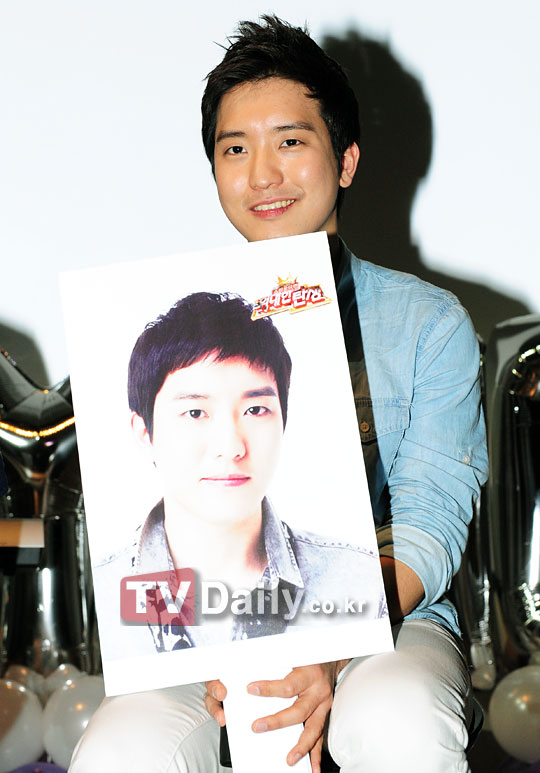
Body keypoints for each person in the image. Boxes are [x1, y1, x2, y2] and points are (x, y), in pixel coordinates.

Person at [70, 15, 488, 773]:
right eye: (235, 149)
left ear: (346, 160)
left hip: (385, 622)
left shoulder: (426, 323)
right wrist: (200, 648)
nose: (262, 174)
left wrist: (329, 642)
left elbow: (432, 516)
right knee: (118, 751)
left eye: (290, 141)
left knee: (400, 719)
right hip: (193, 629)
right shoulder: (155, 319)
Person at [93, 291, 385, 657]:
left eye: (256, 410)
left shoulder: (357, 581)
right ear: (144, 433)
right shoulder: (101, 598)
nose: (231, 446)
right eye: (196, 413)